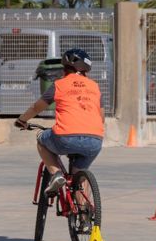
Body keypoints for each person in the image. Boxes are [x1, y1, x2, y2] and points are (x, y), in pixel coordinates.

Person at [15, 48, 104, 195]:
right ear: (86, 70)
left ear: (65, 69)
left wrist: (22, 120)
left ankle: (56, 174)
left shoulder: (59, 84)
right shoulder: (95, 87)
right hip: (95, 141)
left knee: (41, 138)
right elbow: (101, 117)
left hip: (66, 138)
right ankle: (85, 213)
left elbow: (37, 107)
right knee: (79, 175)